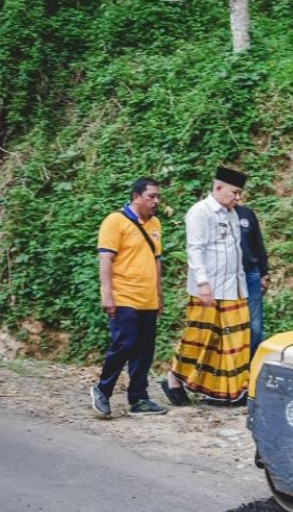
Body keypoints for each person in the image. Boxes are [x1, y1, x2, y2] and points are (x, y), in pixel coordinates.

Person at [161, 166, 251, 407]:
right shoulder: (200, 212)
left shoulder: (232, 214)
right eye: (234, 192)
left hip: (234, 288)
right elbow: (195, 250)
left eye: (240, 193)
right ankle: (173, 378)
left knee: (234, 342)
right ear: (218, 187)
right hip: (209, 289)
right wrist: (203, 284)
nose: (238, 197)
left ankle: (231, 391)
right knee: (199, 338)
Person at [90, 178, 168, 417]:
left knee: (145, 350)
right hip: (124, 296)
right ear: (136, 197)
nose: (156, 201)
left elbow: (156, 261)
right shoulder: (116, 221)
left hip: (147, 299)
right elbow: (106, 260)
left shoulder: (155, 224)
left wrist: (158, 294)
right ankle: (103, 390)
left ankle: (139, 398)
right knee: (125, 344)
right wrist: (107, 295)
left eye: (157, 197)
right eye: (150, 197)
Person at [235, 203, 269, 359]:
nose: (236, 197)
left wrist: (264, 273)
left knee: (255, 324)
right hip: (228, 277)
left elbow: (258, 243)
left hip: (251, 273)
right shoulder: (214, 215)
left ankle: (251, 363)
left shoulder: (247, 214)